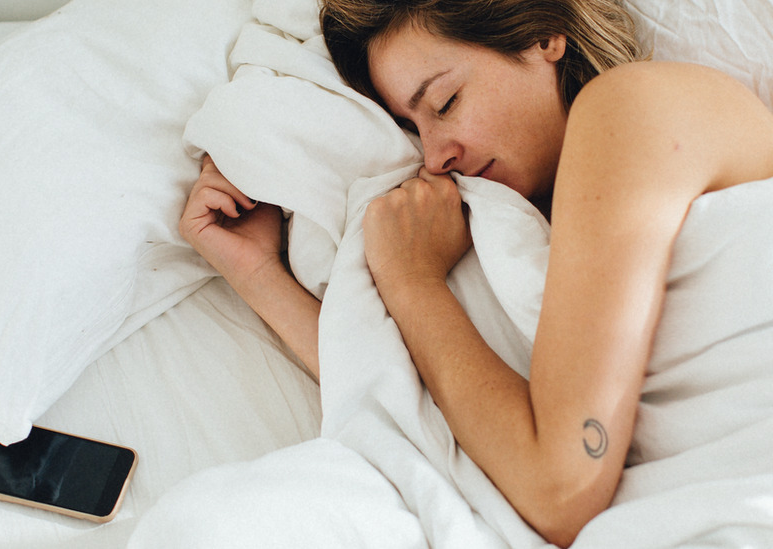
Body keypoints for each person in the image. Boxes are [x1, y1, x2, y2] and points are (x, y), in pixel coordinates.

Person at [179, 0, 773, 546]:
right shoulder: (529, 225)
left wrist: (414, 283)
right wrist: (256, 270)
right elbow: (435, 411)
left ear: (541, 36)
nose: (435, 154)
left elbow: (558, 490)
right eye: (413, 128)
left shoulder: (633, 105)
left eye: (444, 103)